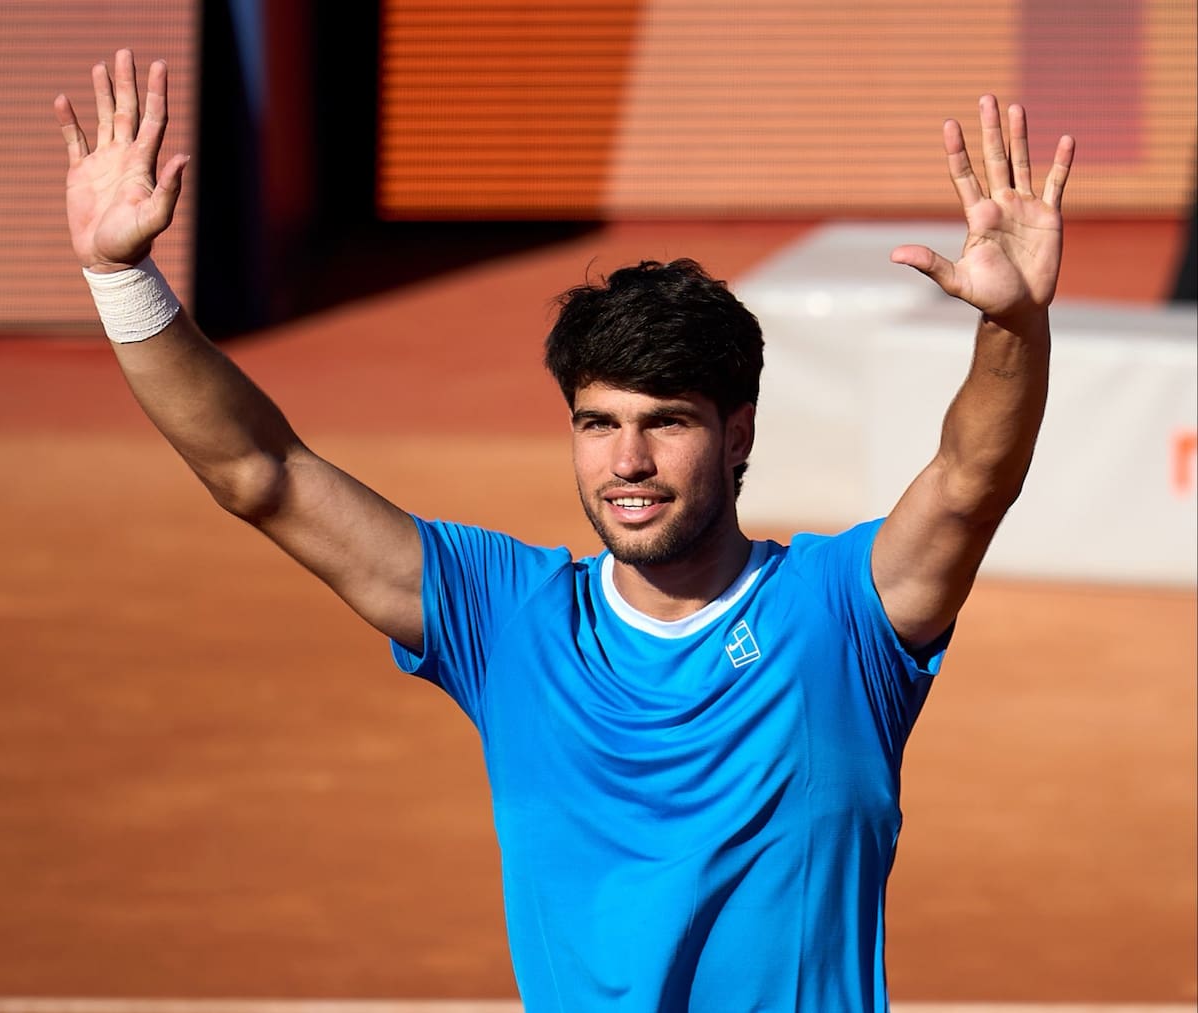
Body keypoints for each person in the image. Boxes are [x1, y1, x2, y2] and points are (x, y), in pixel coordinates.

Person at [54, 50, 1074, 1012]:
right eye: (598, 423)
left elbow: (972, 477)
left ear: (737, 432)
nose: (626, 462)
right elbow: (260, 472)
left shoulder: (838, 616)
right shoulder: (506, 617)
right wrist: (121, 280)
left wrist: (1013, 325)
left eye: (665, 422)